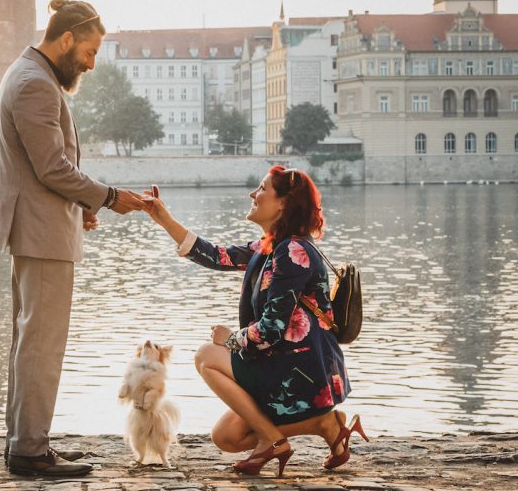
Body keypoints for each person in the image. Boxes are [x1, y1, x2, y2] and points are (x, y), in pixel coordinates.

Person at [0, 0, 141, 477]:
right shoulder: (35, 84)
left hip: (38, 227)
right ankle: (30, 451)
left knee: (29, 340)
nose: (92, 64)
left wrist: (80, 205)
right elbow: (53, 167)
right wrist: (108, 197)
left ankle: (24, 443)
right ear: (67, 38)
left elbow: (45, 169)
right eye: (90, 52)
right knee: (41, 344)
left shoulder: (31, 74)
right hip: (40, 233)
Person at [134, 166, 366, 476]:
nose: (252, 194)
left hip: (301, 371)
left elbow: (271, 329)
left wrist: (230, 338)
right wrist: (163, 218)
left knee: (206, 355)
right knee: (226, 437)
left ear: (282, 203)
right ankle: (328, 426)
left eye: (261, 189)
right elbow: (215, 255)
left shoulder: (294, 251)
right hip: (283, 364)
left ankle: (273, 440)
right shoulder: (270, 246)